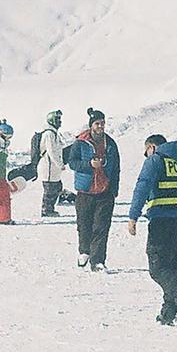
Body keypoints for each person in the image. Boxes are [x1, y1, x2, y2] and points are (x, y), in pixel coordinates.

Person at [127, 134, 177, 325]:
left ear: (152, 147)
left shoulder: (156, 161)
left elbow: (142, 187)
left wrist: (133, 216)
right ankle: (169, 311)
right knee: (172, 268)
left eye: (146, 152)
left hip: (163, 221)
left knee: (158, 268)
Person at [65, 110, 120, 271]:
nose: (100, 126)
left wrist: (114, 189)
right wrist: (89, 164)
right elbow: (72, 162)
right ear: (91, 125)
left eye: (102, 123)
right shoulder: (80, 142)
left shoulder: (110, 143)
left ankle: (97, 260)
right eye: (97, 123)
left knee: (101, 227)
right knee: (84, 224)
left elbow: (116, 167)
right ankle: (84, 251)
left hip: (105, 191)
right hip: (85, 191)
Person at [35, 110, 66, 218]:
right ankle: (46, 210)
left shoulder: (53, 133)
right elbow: (51, 151)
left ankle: (50, 208)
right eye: (57, 119)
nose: (59, 121)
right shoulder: (49, 134)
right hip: (48, 166)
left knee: (57, 186)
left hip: (53, 168)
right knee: (50, 189)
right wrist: (60, 164)